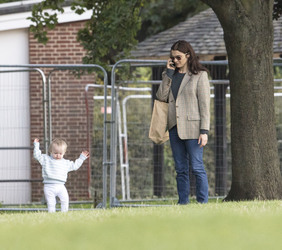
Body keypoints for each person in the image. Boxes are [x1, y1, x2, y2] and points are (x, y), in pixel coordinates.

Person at [156, 40, 210, 204]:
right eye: (173, 58)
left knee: (197, 167)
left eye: (178, 57)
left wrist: (204, 131)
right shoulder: (168, 75)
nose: (176, 61)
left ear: (188, 55)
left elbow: (205, 105)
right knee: (181, 169)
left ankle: (202, 203)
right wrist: (169, 74)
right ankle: (183, 203)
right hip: (174, 127)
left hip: (193, 129)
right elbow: (161, 97)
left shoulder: (200, 75)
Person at [33, 138, 89, 212]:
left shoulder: (65, 163)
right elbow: (37, 155)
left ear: (64, 153)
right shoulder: (46, 159)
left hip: (61, 186)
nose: (58, 155)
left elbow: (75, 166)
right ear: (51, 151)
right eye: (55, 153)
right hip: (49, 186)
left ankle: (64, 214)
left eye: (60, 153)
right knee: (51, 203)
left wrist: (82, 158)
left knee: (65, 200)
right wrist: (36, 145)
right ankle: (51, 215)